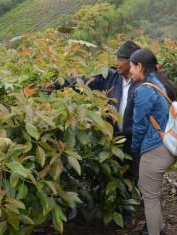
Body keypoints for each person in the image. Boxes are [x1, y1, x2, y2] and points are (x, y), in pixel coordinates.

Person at [46, 40, 142, 184]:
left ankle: (138, 198)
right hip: (113, 137)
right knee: (117, 172)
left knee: (136, 172)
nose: (117, 63)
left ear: (133, 62)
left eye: (121, 60)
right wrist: (57, 84)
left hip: (135, 138)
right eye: (117, 59)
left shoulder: (143, 81)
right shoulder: (111, 76)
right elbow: (84, 81)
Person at [129, 48, 177, 235]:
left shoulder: (144, 89)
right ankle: (160, 233)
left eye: (132, 67)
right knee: (153, 195)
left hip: (155, 149)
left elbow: (139, 125)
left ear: (140, 66)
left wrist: (134, 148)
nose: (130, 71)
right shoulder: (160, 83)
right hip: (168, 147)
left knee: (149, 197)